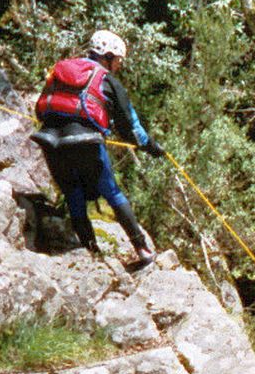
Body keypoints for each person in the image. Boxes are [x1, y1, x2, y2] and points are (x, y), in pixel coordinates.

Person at [31, 28, 163, 270]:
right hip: (85, 143)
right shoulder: (108, 80)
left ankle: (90, 251)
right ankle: (142, 249)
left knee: (73, 193)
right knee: (112, 193)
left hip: (50, 141)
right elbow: (130, 127)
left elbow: (41, 109)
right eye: (118, 60)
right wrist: (152, 148)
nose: (119, 66)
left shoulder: (60, 71)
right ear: (108, 56)